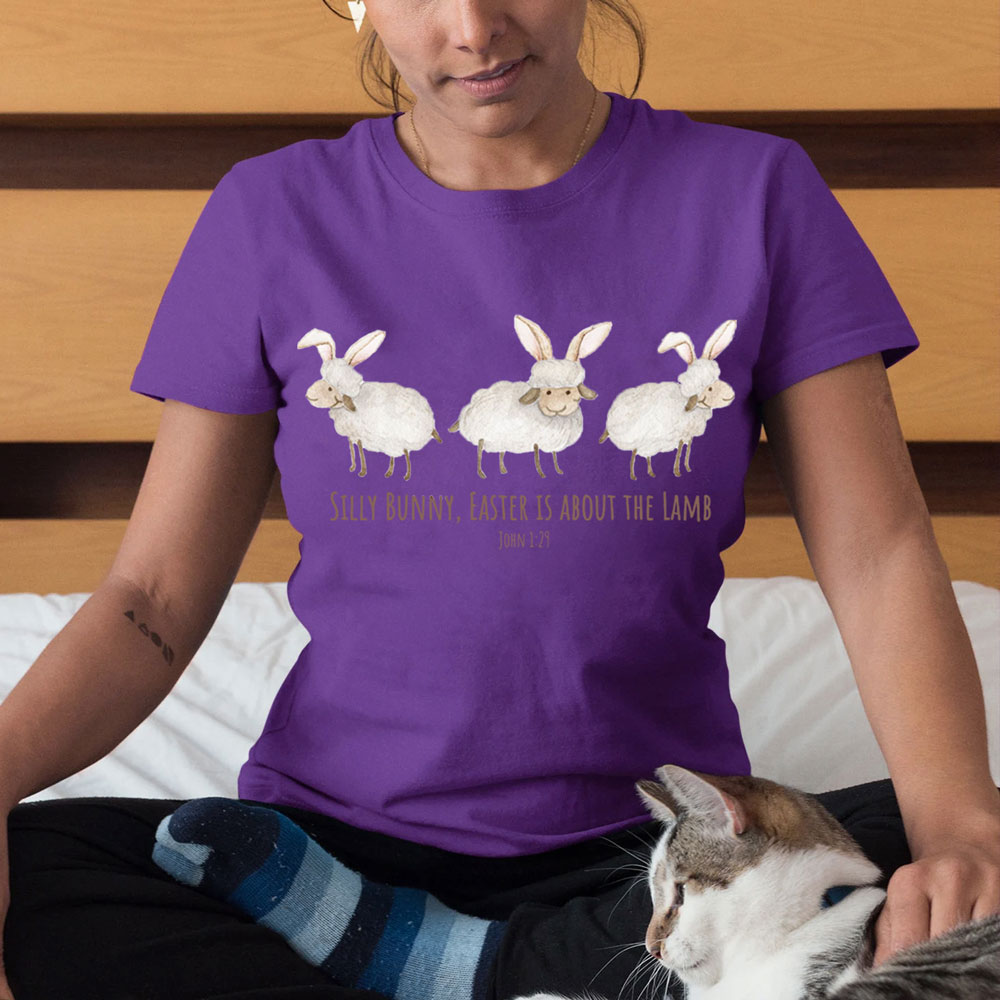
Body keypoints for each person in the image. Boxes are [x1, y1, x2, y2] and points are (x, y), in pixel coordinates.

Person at [2, 1, 998, 998]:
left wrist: (960, 828)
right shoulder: (270, 212)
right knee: (48, 863)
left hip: (658, 865)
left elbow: (878, 555)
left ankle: (448, 964)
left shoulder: (755, 192)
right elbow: (153, 595)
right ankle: (515, 968)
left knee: (934, 858)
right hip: (323, 857)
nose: (474, 27)